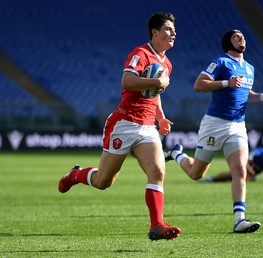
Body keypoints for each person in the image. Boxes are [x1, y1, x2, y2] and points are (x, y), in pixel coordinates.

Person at [57, 12, 181, 241]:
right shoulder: (140, 53)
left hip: (146, 127)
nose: (173, 33)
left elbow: (155, 94)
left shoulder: (167, 63)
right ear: (154, 32)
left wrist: (161, 117)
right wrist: (157, 81)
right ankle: (75, 176)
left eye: (174, 29)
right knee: (104, 181)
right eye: (168, 29)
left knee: (157, 171)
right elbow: (128, 81)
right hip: (123, 124)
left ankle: (157, 225)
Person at [165, 29, 263, 233]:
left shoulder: (249, 68)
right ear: (228, 43)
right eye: (236, 36)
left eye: (242, 36)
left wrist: (262, 97)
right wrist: (226, 82)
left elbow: (244, 93)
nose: (241, 38)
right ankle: (176, 153)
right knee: (196, 173)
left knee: (240, 170)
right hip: (215, 123)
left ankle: (240, 220)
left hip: (238, 125)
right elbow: (198, 85)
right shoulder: (220, 62)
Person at [198, 147, 263, 183]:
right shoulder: (258, 153)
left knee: (242, 179)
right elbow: (246, 159)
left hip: (251, 175)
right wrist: (248, 168)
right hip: (243, 165)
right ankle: (210, 179)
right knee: (231, 175)